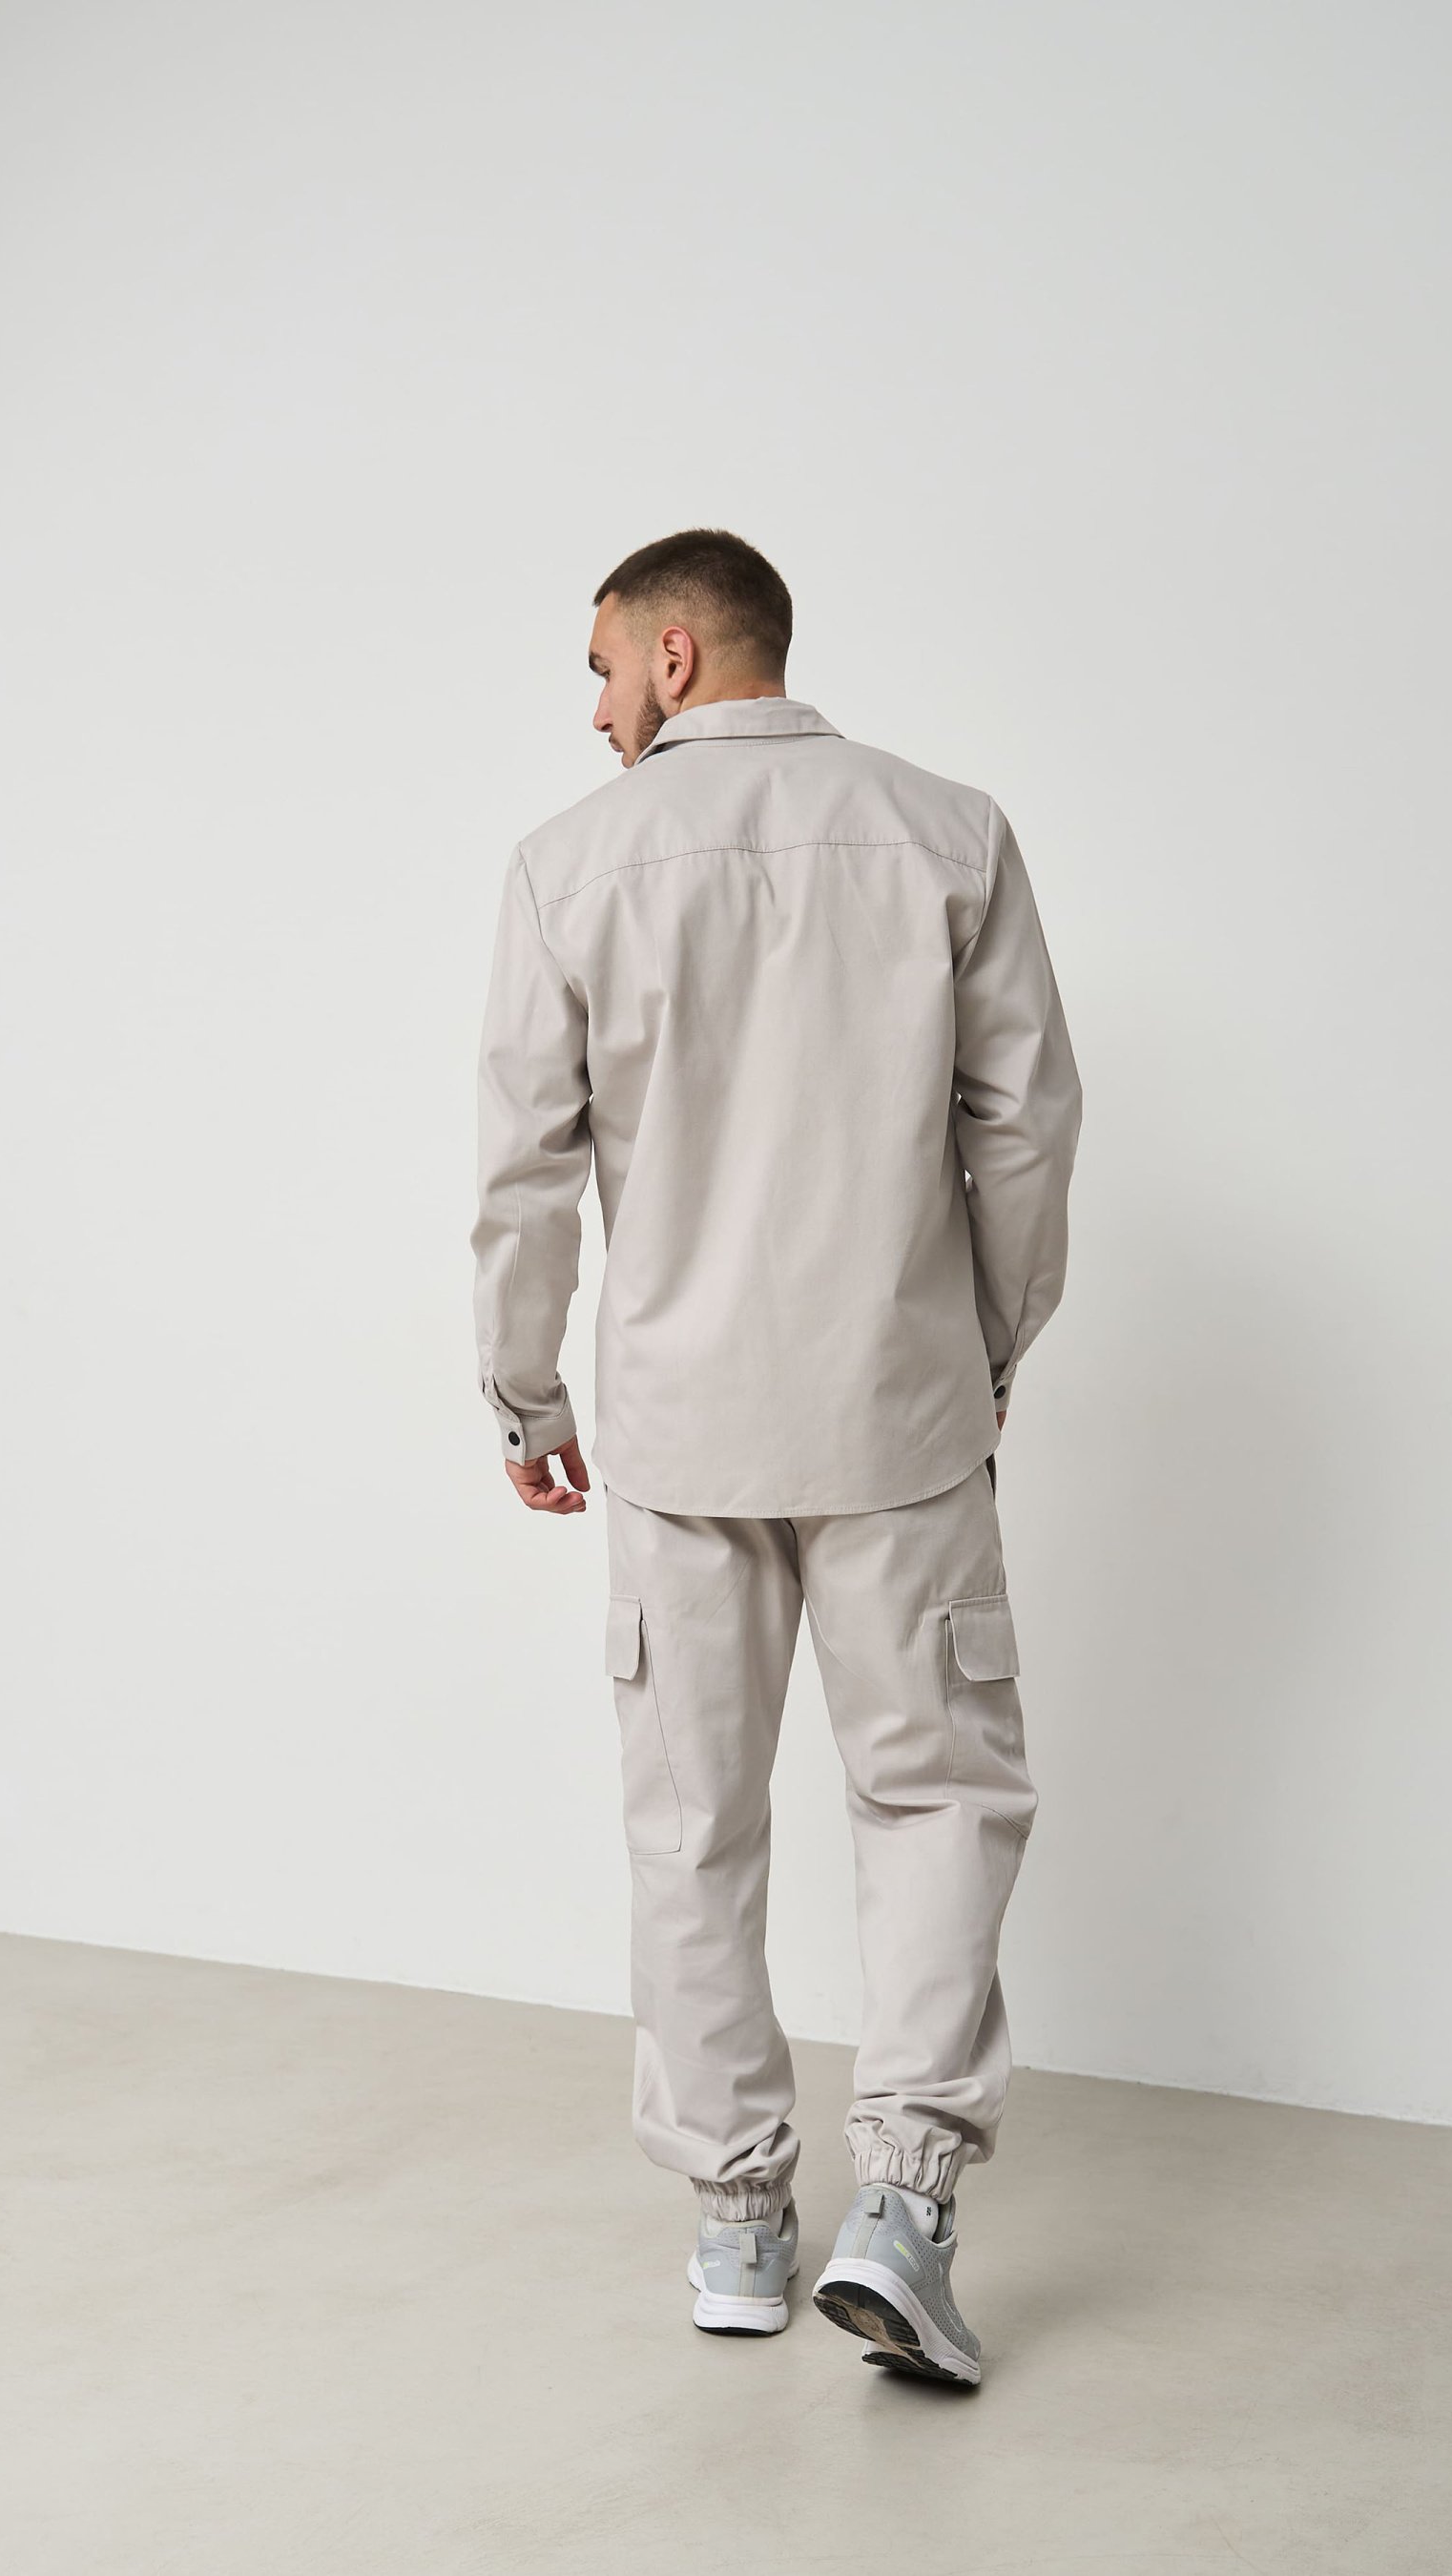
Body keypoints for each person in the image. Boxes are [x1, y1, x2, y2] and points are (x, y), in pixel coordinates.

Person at [469, 529, 1082, 2386]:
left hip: (678, 1433)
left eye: (600, 669)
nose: (594, 710)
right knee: (936, 1802)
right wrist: (984, 1346)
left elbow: (523, 1167)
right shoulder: (948, 833)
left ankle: (739, 2221)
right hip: (899, 1416)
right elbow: (1026, 1126)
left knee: (690, 1828)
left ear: (674, 654)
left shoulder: (569, 866)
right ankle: (904, 2209)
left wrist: (526, 1394)